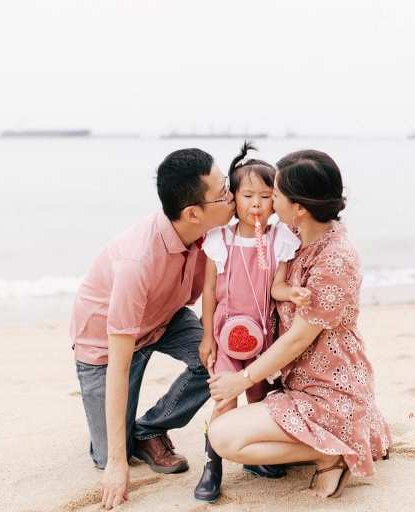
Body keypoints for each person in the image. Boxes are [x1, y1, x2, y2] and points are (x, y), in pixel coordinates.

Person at [207, 149, 392, 499]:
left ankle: (336, 449)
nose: (268, 202)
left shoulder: (335, 260)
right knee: (227, 431)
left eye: (275, 194)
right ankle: (341, 440)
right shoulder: (296, 236)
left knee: (223, 437)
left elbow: (296, 341)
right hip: (296, 383)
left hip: (329, 390)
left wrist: (241, 381)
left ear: (299, 208)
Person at [70, 148, 235, 510]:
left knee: (221, 360)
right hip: (106, 343)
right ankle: (124, 443)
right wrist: (116, 465)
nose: (233, 197)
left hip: (164, 318)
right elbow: (119, 364)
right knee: (111, 454)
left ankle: (150, 427)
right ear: (193, 212)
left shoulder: (212, 232)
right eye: (224, 192)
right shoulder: (137, 261)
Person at [193, 142, 309, 502]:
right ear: (233, 198)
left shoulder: (280, 240)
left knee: (259, 398)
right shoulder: (219, 239)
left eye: (265, 196)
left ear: (276, 201)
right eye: (247, 195)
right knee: (224, 401)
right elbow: (209, 291)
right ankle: (212, 463)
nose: (256, 204)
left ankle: (253, 459)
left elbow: (276, 288)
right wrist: (206, 337)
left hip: (264, 338)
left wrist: (292, 294)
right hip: (225, 335)